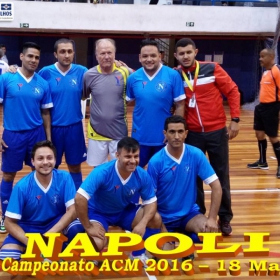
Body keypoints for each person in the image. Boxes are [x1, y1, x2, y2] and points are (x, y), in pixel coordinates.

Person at [174, 38, 240, 236]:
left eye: (188, 52)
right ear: (176, 56)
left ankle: (225, 217)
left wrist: (235, 119)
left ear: (196, 52)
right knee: (194, 178)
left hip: (216, 131)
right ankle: (198, 215)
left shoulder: (212, 68)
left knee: (221, 176)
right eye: (181, 53)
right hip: (192, 134)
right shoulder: (176, 75)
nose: (185, 56)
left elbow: (233, 90)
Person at [75, 137, 161, 263]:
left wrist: (142, 223)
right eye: (128, 156)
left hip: (123, 211)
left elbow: (151, 202)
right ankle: (96, 243)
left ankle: (137, 254)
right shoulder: (102, 172)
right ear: (117, 155)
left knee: (155, 218)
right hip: (98, 212)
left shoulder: (141, 174)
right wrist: (88, 226)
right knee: (98, 243)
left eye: (136, 156)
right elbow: (79, 198)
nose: (132, 161)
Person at [148, 116, 222, 257]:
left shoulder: (195, 154)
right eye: (172, 132)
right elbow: (149, 200)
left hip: (188, 215)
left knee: (211, 234)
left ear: (186, 133)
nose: (176, 136)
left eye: (180, 131)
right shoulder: (156, 161)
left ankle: (184, 240)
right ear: (165, 134)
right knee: (168, 260)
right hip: (163, 218)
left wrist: (212, 218)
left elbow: (217, 186)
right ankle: (177, 242)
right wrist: (161, 227)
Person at [0, 42, 53, 234]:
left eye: (37, 57)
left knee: (40, 174)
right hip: (12, 135)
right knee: (8, 175)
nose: (33, 60)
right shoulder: (7, 78)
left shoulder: (43, 83)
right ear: (21, 57)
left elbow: (46, 113)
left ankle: (35, 213)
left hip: (36, 135)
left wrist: (48, 139)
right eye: (30, 56)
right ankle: (5, 216)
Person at [0, 140, 81, 261]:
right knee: (7, 258)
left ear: (55, 160)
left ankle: (55, 246)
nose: (45, 162)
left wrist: (51, 232)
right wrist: (32, 243)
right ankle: (43, 249)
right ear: (32, 161)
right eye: (40, 158)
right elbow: (9, 222)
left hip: (55, 224)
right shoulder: (22, 186)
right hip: (28, 228)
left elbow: (73, 209)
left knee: (77, 227)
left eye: (49, 158)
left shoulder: (64, 177)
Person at [126, 39, 185, 168]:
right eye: (145, 56)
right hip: (140, 136)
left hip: (163, 137)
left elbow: (180, 104)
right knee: (135, 171)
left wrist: (175, 132)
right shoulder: (133, 78)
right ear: (140, 58)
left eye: (153, 55)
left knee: (163, 174)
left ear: (160, 56)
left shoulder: (173, 75)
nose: (149, 59)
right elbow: (129, 103)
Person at [38, 38, 87, 190]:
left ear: (73, 53)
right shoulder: (45, 72)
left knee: (75, 167)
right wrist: (13, 69)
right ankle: (54, 198)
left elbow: (102, 75)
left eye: (69, 51)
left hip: (74, 128)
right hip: (53, 128)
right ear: (55, 54)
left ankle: (76, 201)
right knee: (52, 167)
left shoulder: (82, 72)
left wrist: (121, 67)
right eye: (62, 52)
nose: (66, 55)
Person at [83, 38, 132, 167]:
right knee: (98, 171)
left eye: (109, 53)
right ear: (96, 56)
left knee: (120, 168)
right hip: (96, 132)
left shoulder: (125, 72)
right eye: (102, 53)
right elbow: (84, 95)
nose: (106, 56)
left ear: (115, 54)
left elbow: (139, 83)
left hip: (119, 132)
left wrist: (130, 68)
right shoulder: (89, 75)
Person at [247, 48, 280, 178]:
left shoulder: (277, 71)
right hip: (261, 107)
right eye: (260, 56)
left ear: (271, 57)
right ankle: (262, 162)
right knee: (259, 134)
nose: (260, 59)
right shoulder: (266, 72)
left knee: (273, 137)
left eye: (263, 56)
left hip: (272, 107)